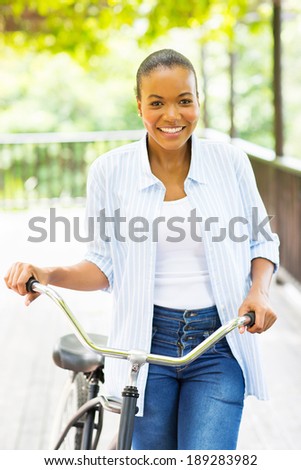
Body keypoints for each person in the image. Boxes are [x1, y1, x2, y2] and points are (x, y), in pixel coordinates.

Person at [4, 49, 279, 450]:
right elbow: (102, 264)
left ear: (198, 101)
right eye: (157, 103)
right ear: (139, 107)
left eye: (184, 100)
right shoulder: (109, 171)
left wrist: (259, 291)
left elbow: (261, 240)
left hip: (218, 343)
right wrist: (49, 274)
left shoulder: (231, 163)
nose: (172, 115)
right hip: (144, 349)